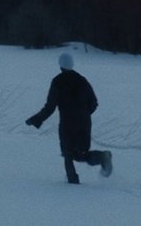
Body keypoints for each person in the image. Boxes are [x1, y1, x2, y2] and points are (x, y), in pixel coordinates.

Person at [25, 52, 113, 184]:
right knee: (81, 153)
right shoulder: (82, 80)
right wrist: (84, 115)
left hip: (68, 123)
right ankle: (102, 157)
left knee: (68, 153)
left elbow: (50, 107)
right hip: (84, 122)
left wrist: (35, 119)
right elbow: (94, 102)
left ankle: (73, 183)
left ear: (60, 65)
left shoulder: (57, 82)